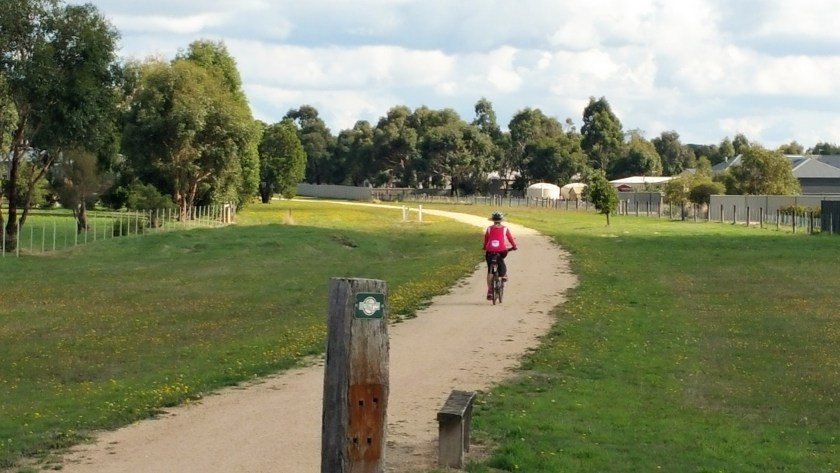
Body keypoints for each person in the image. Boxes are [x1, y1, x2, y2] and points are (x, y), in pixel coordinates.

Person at [483, 211, 517, 300]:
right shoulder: (505, 229)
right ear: (501, 220)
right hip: (501, 250)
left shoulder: (489, 229)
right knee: (501, 258)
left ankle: (490, 291)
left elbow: (486, 239)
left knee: (490, 270)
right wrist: (514, 246)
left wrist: (484, 247)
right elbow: (510, 238)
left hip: (490, 251)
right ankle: (504, 274)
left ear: (493, 220)